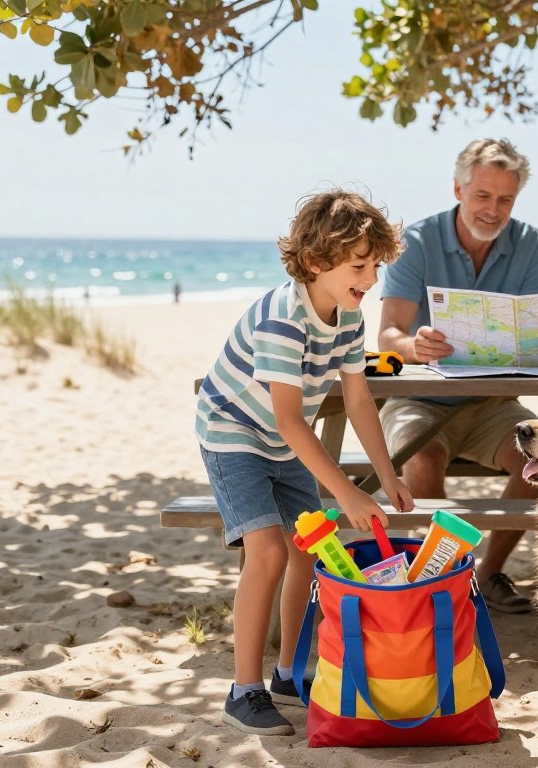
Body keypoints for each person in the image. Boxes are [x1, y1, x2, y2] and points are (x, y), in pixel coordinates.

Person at [195, 190, 414, 736]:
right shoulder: (282, 319)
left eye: (376, 266)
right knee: (267, 551)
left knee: (311, 550)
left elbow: (360, 400)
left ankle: (289, 674)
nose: (370, 278)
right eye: (359, 265)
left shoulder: (347, 317)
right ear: (316, 262)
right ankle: (243, 690)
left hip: (282, 442)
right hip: (235, 435)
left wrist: (385, 478)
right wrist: (346, 492)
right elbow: (291, 419)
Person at [378, 138, 538, 614]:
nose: (493, 210)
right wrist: (414, 346)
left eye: (505, 200)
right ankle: (444, 582)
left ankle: (487, 573)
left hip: (491, 404)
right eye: (482, 196)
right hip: (417, 398)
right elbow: (388, 335)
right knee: (424, 458)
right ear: (458, 188)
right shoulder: (415, 241)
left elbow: (535, 337)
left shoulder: (532, 244)